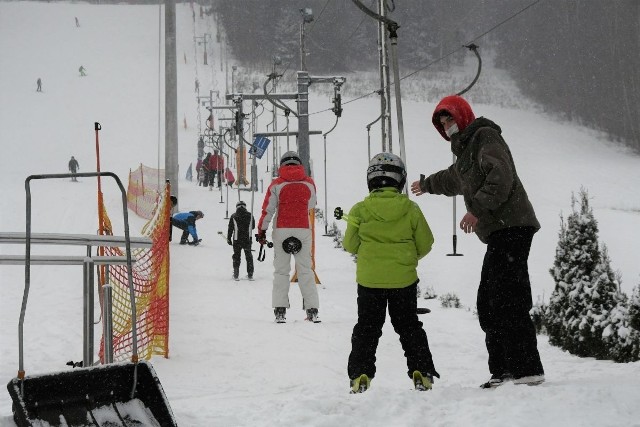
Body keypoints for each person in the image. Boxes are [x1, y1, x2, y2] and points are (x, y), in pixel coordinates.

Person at [410, 95, 544, 388]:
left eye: (450, 118)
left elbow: (501, 175)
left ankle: (525, 368)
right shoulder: (467, 152)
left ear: (463, 115)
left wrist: (476, 210)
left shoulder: (485, 136)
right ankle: (504, 369)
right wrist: (427, 185)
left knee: (508, 297)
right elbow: (452, 178)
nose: (447, 126)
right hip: (501, 231)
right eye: (442, 122)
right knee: (489, 301)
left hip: (514, 225)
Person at [342, 152, 439, 394]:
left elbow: (350, 244)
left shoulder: (360, 210)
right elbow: (426, 243)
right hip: (403, 281)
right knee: (408, 326)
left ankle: (360, 374)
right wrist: (406, 259)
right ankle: (422, 372)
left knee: (367, 328)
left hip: (369, 281)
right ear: (400, 180)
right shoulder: (411, 208)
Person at [256, 151, 319, 323]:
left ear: (281, 165)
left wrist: (261, 230)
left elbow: (268, 210)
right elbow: (312, 204)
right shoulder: (309, 183)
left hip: (282, 229)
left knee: (281, 271)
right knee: (306, 270)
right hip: (303, 229)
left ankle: (280, 310)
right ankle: (312, 310)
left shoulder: (276, 184)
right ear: (300, 165)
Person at [227, 201, 255, 281]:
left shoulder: (233, 216)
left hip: (237, 239)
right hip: (247, 239)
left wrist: (229, 238)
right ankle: (250, 275)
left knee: (236, 256)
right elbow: (252, 227)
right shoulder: (250, 215)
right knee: (249, 256)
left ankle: (236, 275)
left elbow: (230, 228)